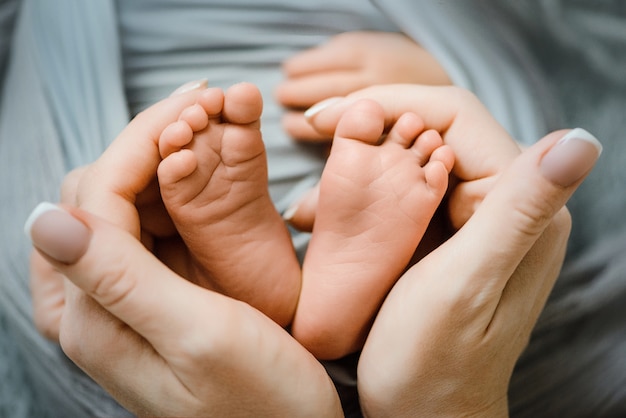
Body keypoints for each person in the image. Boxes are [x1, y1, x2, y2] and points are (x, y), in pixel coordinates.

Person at [25, 79, 600, 416]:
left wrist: (55, 311)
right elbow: (504, 51)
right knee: (452, 196)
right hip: (456, 339)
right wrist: (416, 63)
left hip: (179, 349)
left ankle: (221, 288)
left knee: (131, 216)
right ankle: (379, 288)